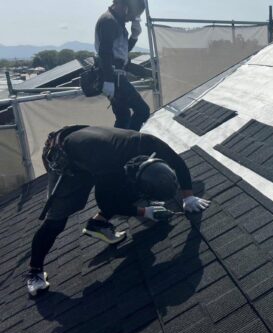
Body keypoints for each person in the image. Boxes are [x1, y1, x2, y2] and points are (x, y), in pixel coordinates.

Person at [25, 125, 211, 297]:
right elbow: (108, 203)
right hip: (65, 159)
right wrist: (145, 212)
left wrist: (188, 197)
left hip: (90, 146)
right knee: (56, 221)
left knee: (127, 190)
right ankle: (34, 272)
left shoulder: (148, 143)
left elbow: (177, 162)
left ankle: (98, 224)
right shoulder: (108, 166)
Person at [95, 0, 150, 131]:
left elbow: (122, 52)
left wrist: (134, 37)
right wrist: (109, 80)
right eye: (133, 14)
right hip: (115, 78)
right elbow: (105, 53)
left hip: (115, 77)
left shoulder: (115, 21)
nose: (132, 19)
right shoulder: (109, 21)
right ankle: (127, 142)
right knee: (142, 111)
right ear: (125, 6)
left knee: (123, 117)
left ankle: (120, 142)